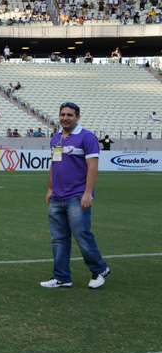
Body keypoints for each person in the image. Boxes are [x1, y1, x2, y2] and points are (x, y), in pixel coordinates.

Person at [41, 102, 110, 289]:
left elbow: (93, 166)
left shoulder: (87, 137)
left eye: (69, 115)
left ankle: (99, 270)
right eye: (62, 114)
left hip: (77, 196)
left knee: (82, 235)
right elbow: (54, 165)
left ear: (77, 117)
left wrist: (88, 193)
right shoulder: (56, 138)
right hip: (57, 197)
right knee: (59, 239)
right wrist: (50, 189)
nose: (65, 118)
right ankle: (62, 277)